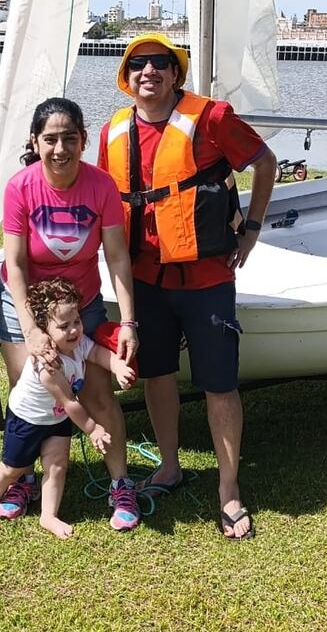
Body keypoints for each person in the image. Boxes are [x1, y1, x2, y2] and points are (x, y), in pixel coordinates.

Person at [98, 34, 277, 541]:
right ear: (126, 76)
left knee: (219, 383)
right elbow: (100, 199)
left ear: (176, 74)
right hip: (145, 280)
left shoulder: (212, 118)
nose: (148, 72)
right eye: (137, 64)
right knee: (157, 375)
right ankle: (170, 466)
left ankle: (229, 488)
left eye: (160, 64)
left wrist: (252, 227)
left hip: (206, 279)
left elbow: (265, 163)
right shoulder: (112, 131)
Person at [0, 97, 140, 530]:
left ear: (83, 140)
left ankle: (121, 484)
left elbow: (117, 258)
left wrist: (128, 322)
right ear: (35, 142)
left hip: (80, 305)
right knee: (31, 393)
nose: (61, 149)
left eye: (70, 139)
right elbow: (16, 265)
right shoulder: (20, 186)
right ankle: (23, 477)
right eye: (51, 139)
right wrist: (31, 329)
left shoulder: (101, 186)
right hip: (23, 300)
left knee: (97, 393)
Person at [0, 278, 136, 537]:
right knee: (11, 466)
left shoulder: (78, 342)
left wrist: (117, 366)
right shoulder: (48, 365)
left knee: (57, 465)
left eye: (76, 321)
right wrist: (93, 429)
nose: (74, 330)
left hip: (55, 420)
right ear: (44, 329)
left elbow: (95, 353)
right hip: (27, 419)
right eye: (64, 326)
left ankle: (48, 516)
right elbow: (71, 402)